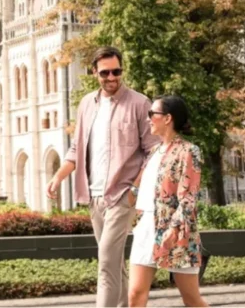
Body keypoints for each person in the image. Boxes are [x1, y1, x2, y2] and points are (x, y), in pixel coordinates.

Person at [47, 46, 160, 307]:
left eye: (117, 71)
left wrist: (134, 189)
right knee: (115, 262)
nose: (112, 78)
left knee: (106, 263)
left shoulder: (139, 103)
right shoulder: (87, 104)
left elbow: (153, 150)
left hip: (122, 195)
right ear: (94, 73)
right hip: (93, 195)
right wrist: (57, 177)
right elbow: (76, 148)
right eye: (105, 73)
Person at [128, 96, 207, 307]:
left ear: (168, 118)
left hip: (177, 230)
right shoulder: (154, 151)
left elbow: (189, 197)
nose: (148, 119)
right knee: (135, 294)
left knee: (191, 299)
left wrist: (172, 229)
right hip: (146, 226)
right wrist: (133, 193)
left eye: (152, 114)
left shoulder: (189, 151)